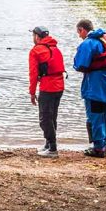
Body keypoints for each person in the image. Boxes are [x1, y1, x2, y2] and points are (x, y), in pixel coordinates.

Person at [73, 19, 106, 158]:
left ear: (82, 30)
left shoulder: (88, 43)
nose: (79, 36)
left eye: (78, 33)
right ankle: (103, 145)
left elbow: (80, 65)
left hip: (96, 86)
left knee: (95, 117)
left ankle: (98, 148)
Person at [28, 27, 65, 158]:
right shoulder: (55, 48)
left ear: (37, 37)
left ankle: (53, 148)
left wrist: (32, 93)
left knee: (44, 119)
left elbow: (33, 74)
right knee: (52, 116)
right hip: (60, 86)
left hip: (48, 87)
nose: (33, 38)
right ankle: (48, 144)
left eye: (33, 35)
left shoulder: (36, 51)